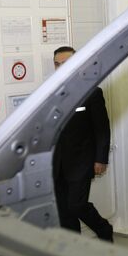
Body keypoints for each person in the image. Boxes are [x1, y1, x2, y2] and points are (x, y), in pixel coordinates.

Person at [52, 46, 113, 242]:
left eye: (66, 63)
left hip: (82, 161)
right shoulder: (51, 94)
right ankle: (74, 249)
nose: (61, 67)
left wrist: (101, 158)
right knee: (63, 212)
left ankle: (103, 229)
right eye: (57, 64)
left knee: (76, 205)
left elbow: (102, 129)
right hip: (57, 163)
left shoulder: (92, 92)